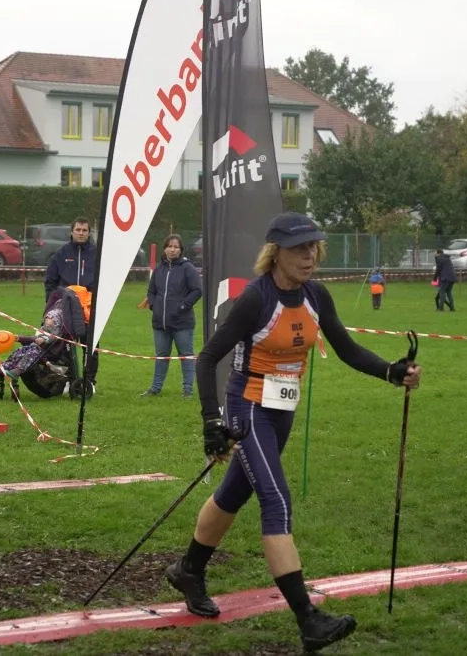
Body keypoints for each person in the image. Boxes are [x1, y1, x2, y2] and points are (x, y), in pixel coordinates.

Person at [164, 211, 421, 654]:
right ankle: (308, 619)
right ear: (276, 252)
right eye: (300, 249)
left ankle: (189, 569)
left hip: (281, 411)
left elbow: (346, 349)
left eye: (313, 248)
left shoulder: (316, 295)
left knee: (233, 494)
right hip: (248, 407)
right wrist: (211, 420)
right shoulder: (256, 299)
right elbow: (207, 359)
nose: (309, 256)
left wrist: (391, 372)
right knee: (276, 500)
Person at [142, 234, 203, 398]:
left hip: (182, 323)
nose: (172, 249)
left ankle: (188, 390)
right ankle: (155, 388)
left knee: (186, 356)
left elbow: (197, 290)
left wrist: (183, 306)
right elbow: (151, 291)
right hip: (160, 324)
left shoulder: (187, 268)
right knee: (161, 356)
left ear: (181, 250)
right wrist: (154, 306)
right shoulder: (158, 269)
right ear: (165, 249)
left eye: (176, 247)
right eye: (170, 246)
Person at [44, 217, 99, 391]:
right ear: (72, 231)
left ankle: (89, 382)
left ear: (89, 232)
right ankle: (69, 380)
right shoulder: (61, 253)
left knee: (90, 345)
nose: (81, 233)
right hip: (66, 307)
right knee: (65, 345)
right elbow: (50, 281)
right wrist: (52, 303)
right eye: (78, 230)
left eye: (84, 230)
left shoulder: (97, 254)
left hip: (89, 307)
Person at [0, 302, 69, 382]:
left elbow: (51, 338)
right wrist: (18, 338)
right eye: (47, 317)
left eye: (51, 319)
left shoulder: (56, 335)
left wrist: (43, 339)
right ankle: (0, 369)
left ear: (56, 322)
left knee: (30, 354)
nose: (48, 320)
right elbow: (34, 338)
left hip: (44, 351)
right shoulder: (43, 329)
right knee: (18, 353)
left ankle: (17, 371)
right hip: (33, 346)